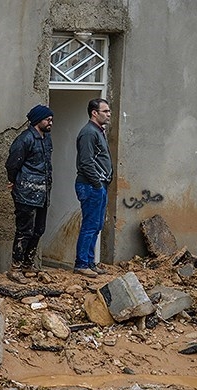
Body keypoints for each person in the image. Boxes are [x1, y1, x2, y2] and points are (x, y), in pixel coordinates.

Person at [4, 104, 54, 275]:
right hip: (26, 193)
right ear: (37, 120)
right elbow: (12, 164)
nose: (50, 123)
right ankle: (15, 268)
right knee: (24, 230)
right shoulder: (25, 139)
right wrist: (14, 181)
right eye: (47, 119)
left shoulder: (46, 139)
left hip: (43, 193)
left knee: (39, 229)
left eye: (51, 119)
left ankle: (28, 263)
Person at [73, 98, 113, 278]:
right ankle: (81, 264)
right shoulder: (89, 133)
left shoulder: (98, 131)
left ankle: (89, 262)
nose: (109, 114)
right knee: (90, 225)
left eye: (109, 111)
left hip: (99, 184)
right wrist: (97, 183)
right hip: (90, 185)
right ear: (94, 113)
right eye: (105, 111)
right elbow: (86, 161)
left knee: (96, 225)